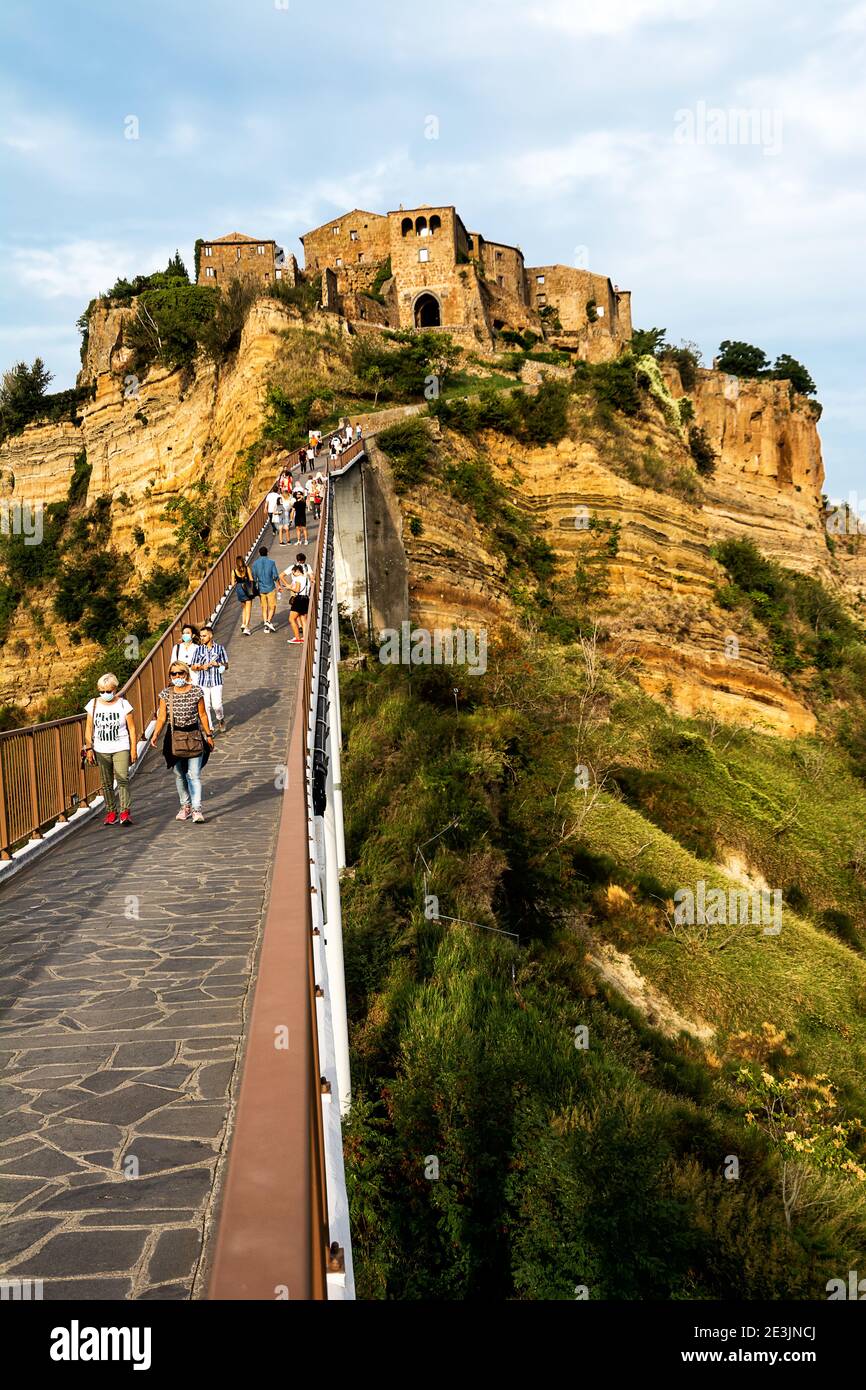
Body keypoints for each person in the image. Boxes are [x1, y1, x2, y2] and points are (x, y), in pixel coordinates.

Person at [150, 661, 214, 823]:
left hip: (194, 736)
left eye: (181, 673)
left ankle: (197, 809)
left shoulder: (196, 692)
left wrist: (209, 734)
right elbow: (162, 717)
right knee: (179, 774)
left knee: (194, 774)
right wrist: (156, 734)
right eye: (174, 674)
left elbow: (203, 714)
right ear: (170, 676)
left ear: (187, 674)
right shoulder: (166, 694)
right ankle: (185, 806)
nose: (177, 676)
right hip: (174, 737)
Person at [84, 673, 137, 826]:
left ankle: (125, 812)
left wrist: (133, 749)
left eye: (108, 691)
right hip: (101, 748)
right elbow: (89, 728)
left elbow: (132, 729)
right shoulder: (93, 704)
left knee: (122, 779)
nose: (105, 694)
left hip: (121, 746)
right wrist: (89, 748)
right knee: (106, 782)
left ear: (115, 689)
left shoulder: (123, 704)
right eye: (102, 691)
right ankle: (111, 811)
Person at [191, 626, 228, 733]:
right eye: (201, 636)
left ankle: (220, 719)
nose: (202, 638)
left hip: (216, 681)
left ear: (210, 636)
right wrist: (202, 667)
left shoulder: (220, 648)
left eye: (204, 636)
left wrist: (218, 664)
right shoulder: (198, 650)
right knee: (206, 706)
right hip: (203, 682)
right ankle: (210, 728)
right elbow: (192, 666)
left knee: (217, 705)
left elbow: (226, 665)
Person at [251, 545, 280, 632]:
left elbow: (254, 577)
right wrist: (279, 585)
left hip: (260, 588)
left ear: (259, 553)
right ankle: (268, 621)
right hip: (270, 587)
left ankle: (266, 625)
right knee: (273, 606)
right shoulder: (271, 562)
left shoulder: (255, 564)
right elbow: (275, 576)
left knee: (264, 607)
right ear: (267, 553)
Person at [286, 563, 312, 644]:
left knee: (291, 619)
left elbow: (297, 590)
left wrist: (290, 588)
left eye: (293, 572)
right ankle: (305, 637)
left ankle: (297, 638)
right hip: (306, 598)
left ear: (297, 571)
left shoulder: (298, 579)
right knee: (303, 619)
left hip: (299, 599)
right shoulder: (306, 579)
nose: (293, 574)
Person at [233, 556, 256, 635]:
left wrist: (237, 580)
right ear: (243, 561)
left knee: (244, 608)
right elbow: (251, 579)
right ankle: (246, 627)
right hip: (247, 588)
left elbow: (233, 584)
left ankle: (243, 623)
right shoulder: (247, 568)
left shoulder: (234, 571)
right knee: (248, 609)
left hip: (239, 589)